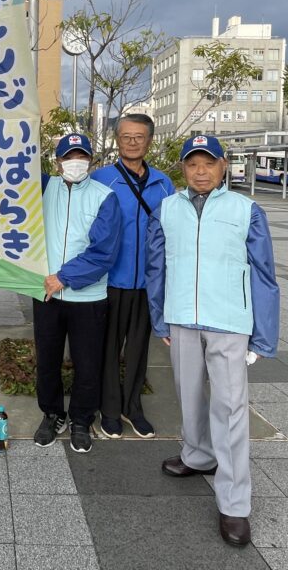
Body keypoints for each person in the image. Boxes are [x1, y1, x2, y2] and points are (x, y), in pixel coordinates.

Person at [147, 134, 280, 547]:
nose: (200, 172)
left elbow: (263, 273)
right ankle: (198, 456)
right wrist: (161, 319)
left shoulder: (247, 211)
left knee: (231, 409)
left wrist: (263, 335)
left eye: (209, 163)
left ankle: (235, 505)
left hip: (229, 322)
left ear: (224, 166)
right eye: (192, 164)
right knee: (188, 396)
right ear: (182, 169)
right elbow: (156, 266)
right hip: (182, 318)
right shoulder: (167, 208)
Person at [33, 133, 122, 454]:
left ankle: (81, 420)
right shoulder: (41, 188)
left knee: (87, 364)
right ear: (57, 162)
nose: (75, 162)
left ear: (91, 160)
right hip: (47, 295)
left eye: (81, 156)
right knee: (47, 361)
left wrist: (64, 277)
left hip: (88, 298)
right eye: (68, 156)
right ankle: (53, 414)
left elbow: (104, 253)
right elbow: (11, 168)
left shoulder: (104, 196)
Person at [91, 113, 174, 439]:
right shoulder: (100, 179)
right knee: (108, 349)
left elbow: (172, 232)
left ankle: (132, 407)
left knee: (140, 348)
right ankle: (109, 410)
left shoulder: (163, 183)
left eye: (139, 136)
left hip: (148, 284)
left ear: (149, 140)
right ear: (116, 140)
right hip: (109, 280)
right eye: (126, 136)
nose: (132, 141)